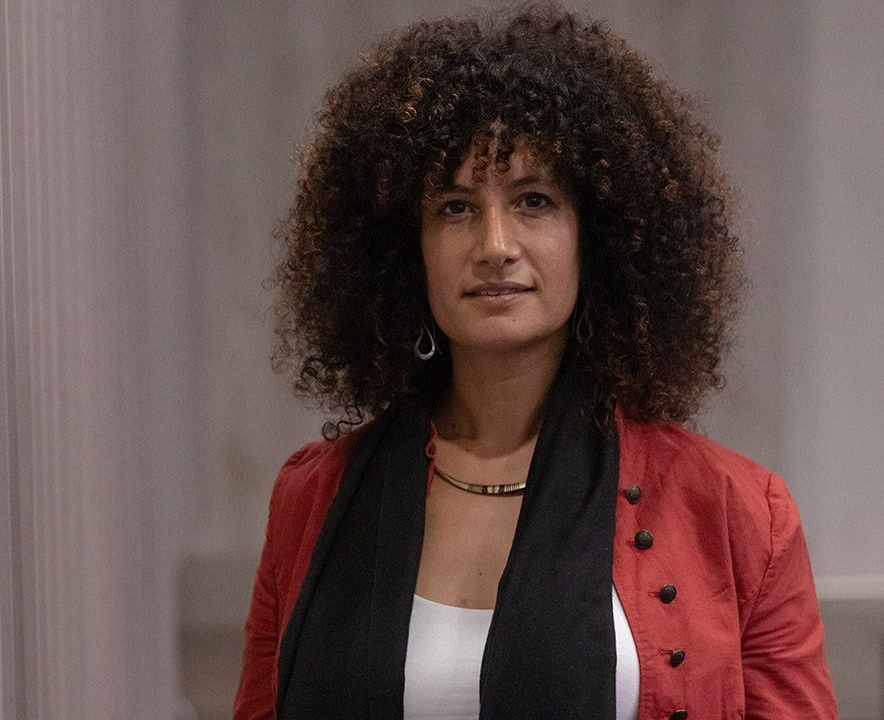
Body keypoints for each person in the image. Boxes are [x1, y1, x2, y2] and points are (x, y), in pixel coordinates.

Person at [232, 5, 837, 720]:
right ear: (405, 250)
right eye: (455, 207)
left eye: (534, 200)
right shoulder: (311, 497)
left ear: (596, 236)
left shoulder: (738, 512)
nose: (495, 245)